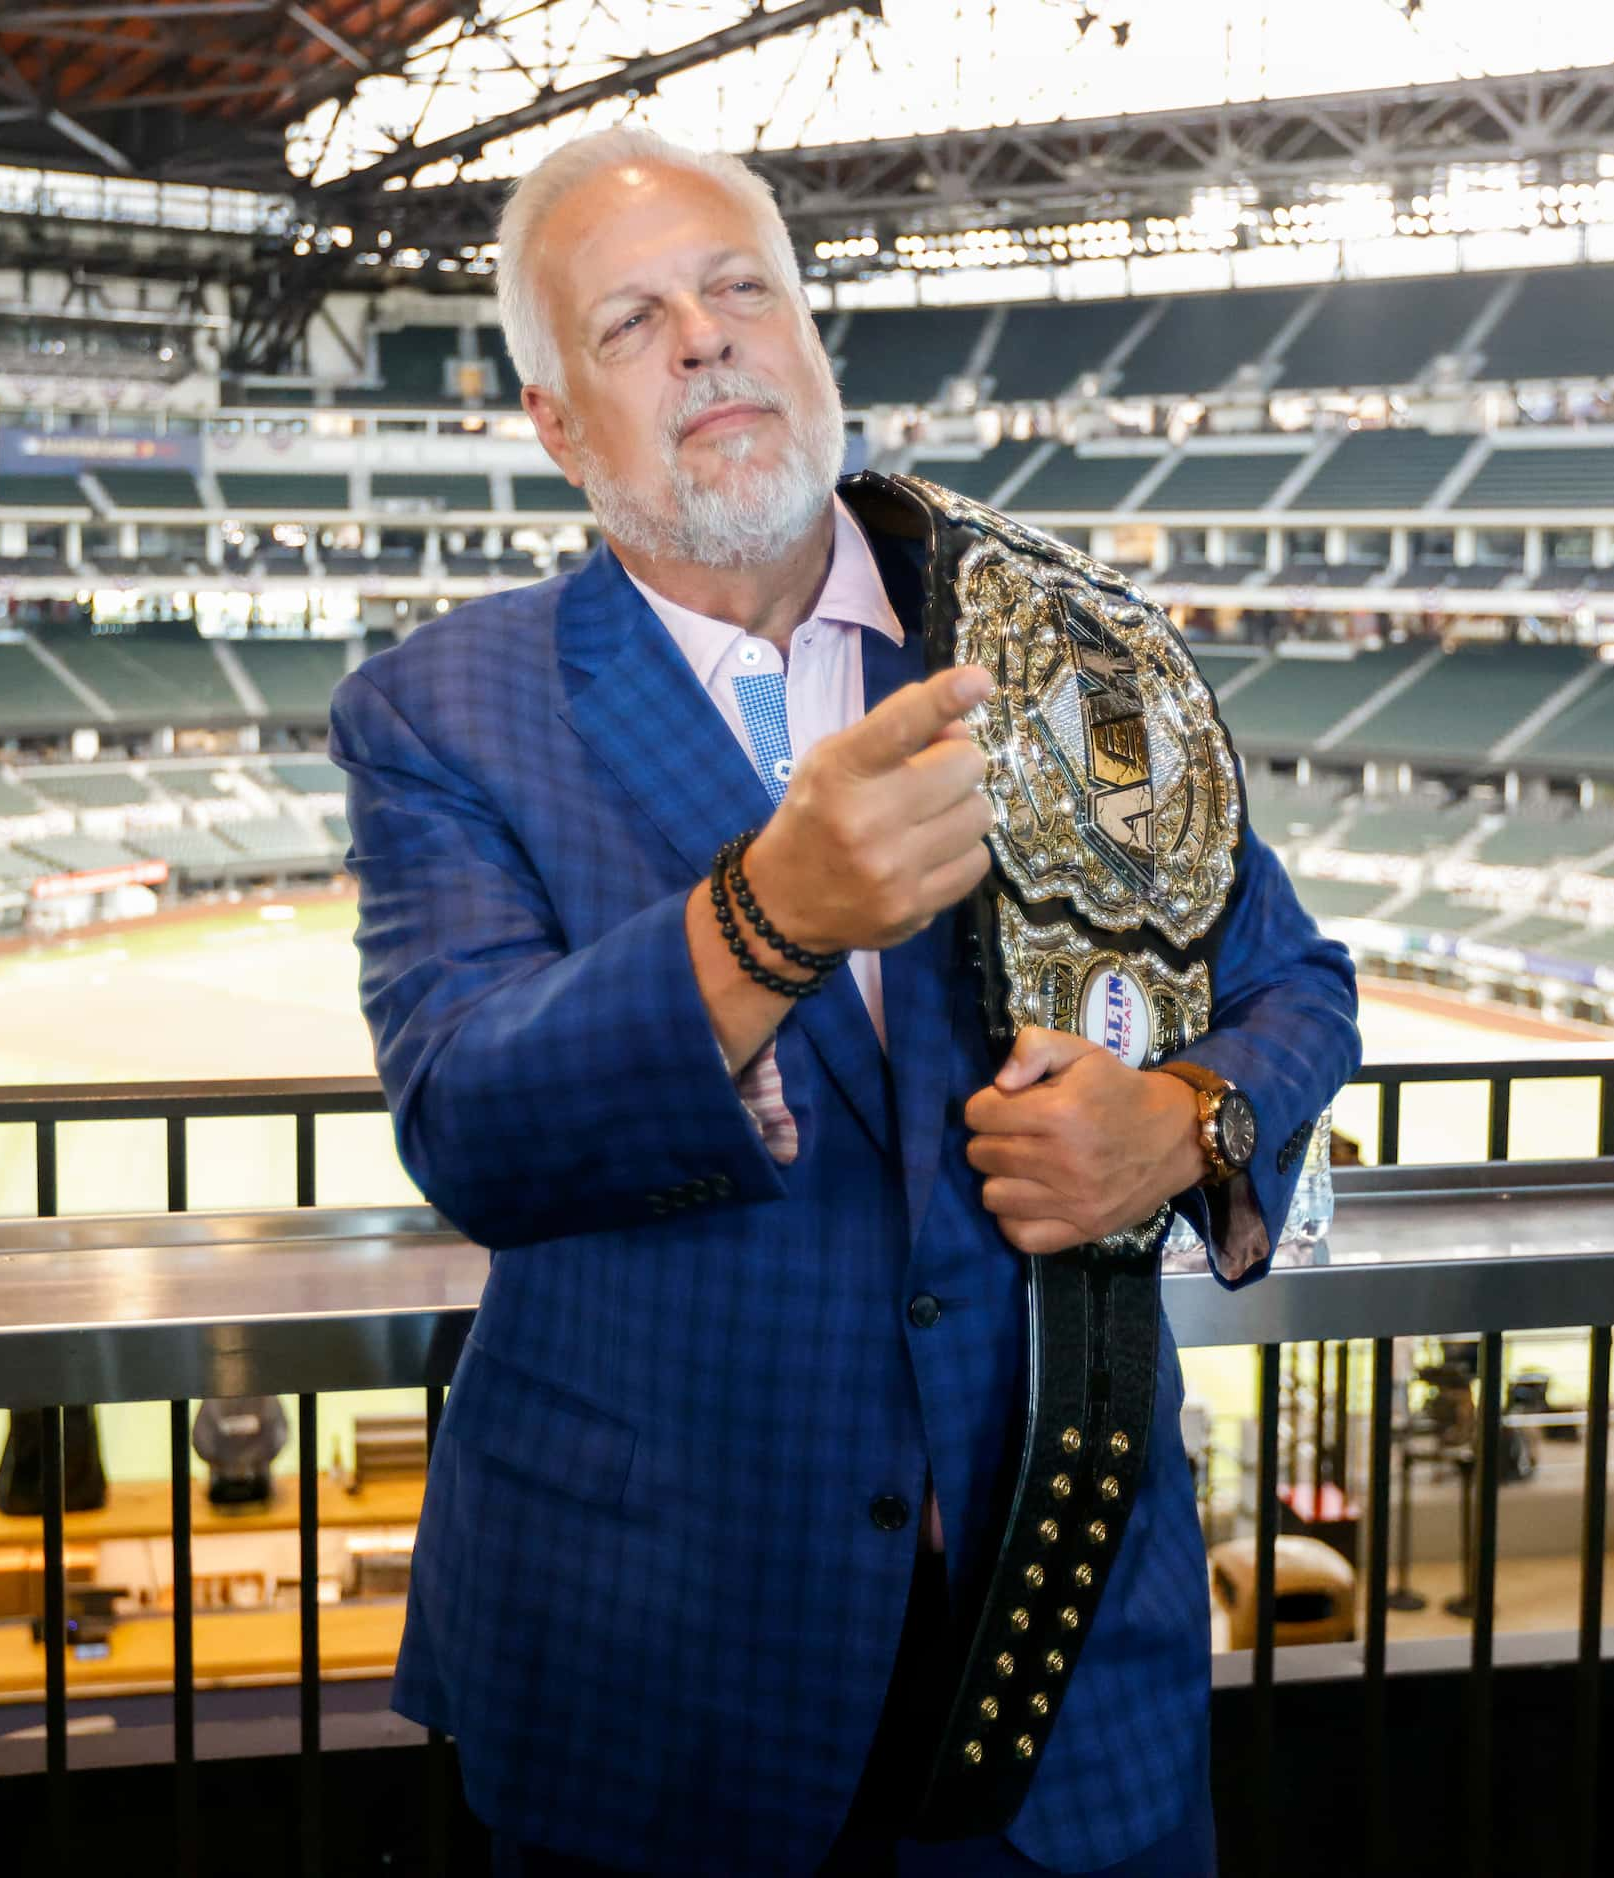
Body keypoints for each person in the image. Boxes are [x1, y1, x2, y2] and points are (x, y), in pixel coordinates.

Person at [329, 126, 1361, 1878]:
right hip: (661, 1702)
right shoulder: (443, 710)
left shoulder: (1057, 646)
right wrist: (769, 915)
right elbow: (473, 1123)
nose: (709, 339)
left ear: (813, 339)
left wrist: (1175, 1126)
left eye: (742, 291)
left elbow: (1293, 983)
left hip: (1061, 1681)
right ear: (558, 424)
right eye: (634, 321)